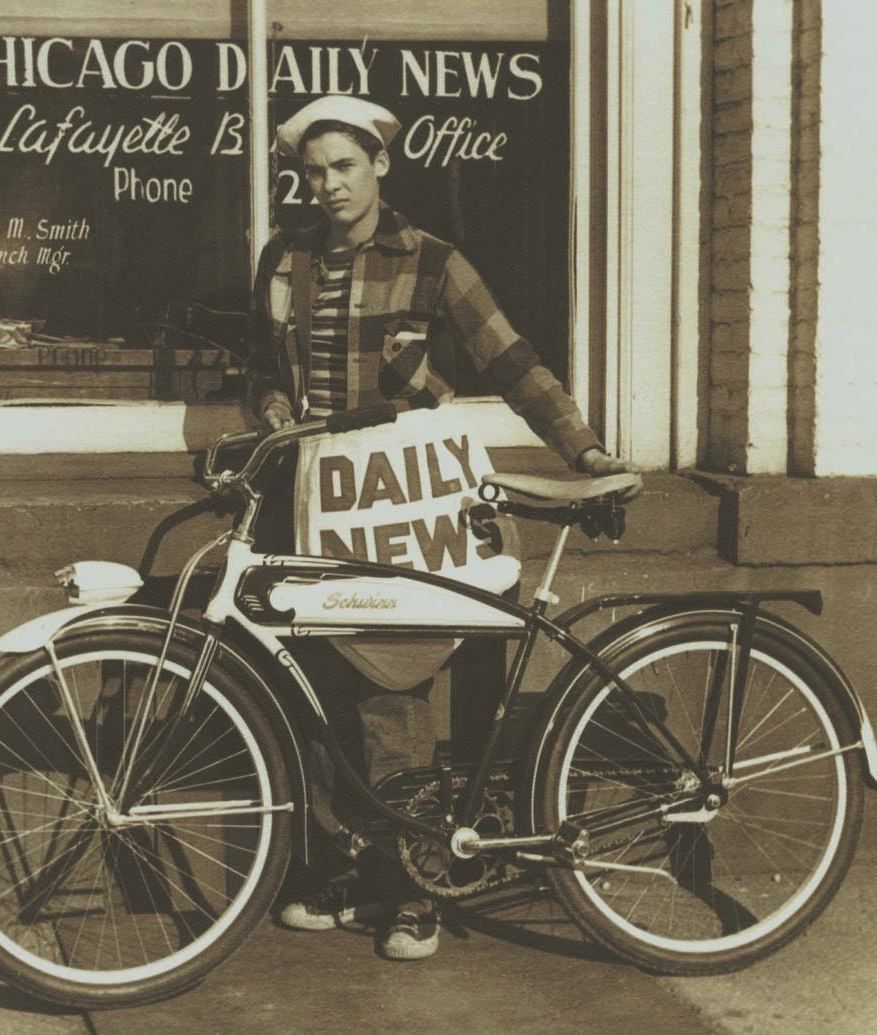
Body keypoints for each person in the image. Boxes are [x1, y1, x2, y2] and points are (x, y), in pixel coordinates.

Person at [245, 95, 630, 961]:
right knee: (314, 688)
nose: (329, 185)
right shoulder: (284, 258)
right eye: (314, 171)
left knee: (392, 687)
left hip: (403, 503)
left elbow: (514, 362)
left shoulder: (434, 262)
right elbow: (260, 368)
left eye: (345, 166)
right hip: (307, 502)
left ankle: (412, 887)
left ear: (381, 166)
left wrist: (584, 448)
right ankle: (349, 869)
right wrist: (270, 408)